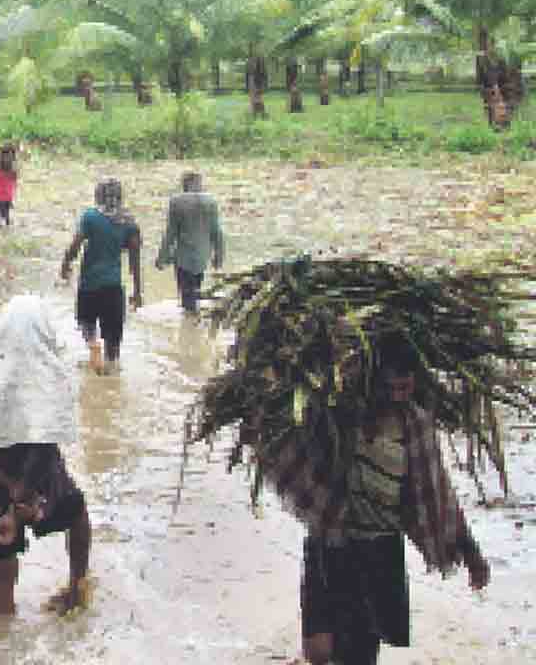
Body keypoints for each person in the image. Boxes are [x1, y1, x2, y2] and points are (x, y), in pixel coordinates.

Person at [261, 333, 491, 665]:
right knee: (318, 651)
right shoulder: (338, 415)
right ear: (373, 382)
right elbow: (284, 429)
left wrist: (471, 554)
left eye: (406, 387)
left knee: (359, 653)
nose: (399, 396)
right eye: (391, 388)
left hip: (379, 553)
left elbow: (439, 493)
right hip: (330, 544)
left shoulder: (414, 426)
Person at [0, 295, 91, 617]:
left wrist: (12, 500)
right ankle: (77, 587)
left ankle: (3, 628)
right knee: (77, 516)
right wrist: (20, 495)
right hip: (34, 472)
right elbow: (45, 445)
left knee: (2, 561)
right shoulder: (50, 372)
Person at [59, 177, 143, 374]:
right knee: (113, 340)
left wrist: (65, 264)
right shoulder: (129, 223)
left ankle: (92, 345)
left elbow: (75, 245)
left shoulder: (90, 217)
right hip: (114, 288)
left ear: (98, 195)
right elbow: (135, 261)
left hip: (89, 285)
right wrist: (137, 291)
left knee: (86, 322)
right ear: (120, 196)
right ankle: (111, 368)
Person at [156, 171, 224, 315]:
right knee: (195, 291)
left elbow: (170, 233)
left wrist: (162, 257)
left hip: (183, 258)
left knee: (187, 297)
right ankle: (193, 324)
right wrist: (219, 256)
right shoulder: (211, 201)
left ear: (184, 185)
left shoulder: (176, 201)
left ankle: (189, 323)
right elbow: (216, 231)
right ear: (199, 184)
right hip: (202, 257)